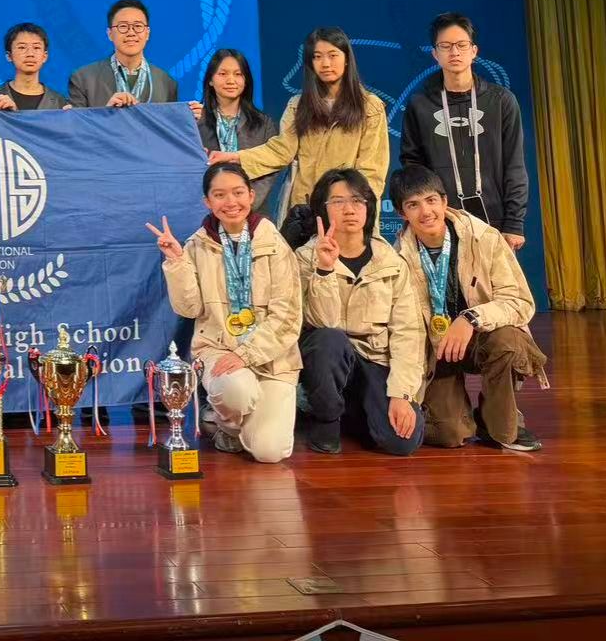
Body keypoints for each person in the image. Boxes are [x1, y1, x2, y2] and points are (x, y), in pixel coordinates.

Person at [146, 161, 301, 463]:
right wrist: (177, 262)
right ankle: (228, 427)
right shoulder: (196, 245)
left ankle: (238, 420)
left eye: (238, 192)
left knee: (270, 452)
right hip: (218, 348)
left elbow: (288, 316)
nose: (231, 202)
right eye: (219, 195)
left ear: (251, 195)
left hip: (273, 357)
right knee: (237, 391)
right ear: (207, 201)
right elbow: (189, 308)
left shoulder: (275, 243)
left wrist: (246, 354)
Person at [390, 164, 547, 453]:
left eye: (431, 200)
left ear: (444, 201)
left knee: (508, 341)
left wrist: (471, 318)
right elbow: (404, 330)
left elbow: (519, 302)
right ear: (402, 213)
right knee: (449, 434)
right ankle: (457, 416)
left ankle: (496, 421)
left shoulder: (484, 237)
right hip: (435, 350)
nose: (426, 211)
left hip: (480, 337)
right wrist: (404, 392)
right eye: (413, 205)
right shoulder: (397, 259)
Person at [211, 26, 389, 241]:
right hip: (304, 212)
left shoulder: (369, 107)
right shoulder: (298, 105)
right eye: (317, 57)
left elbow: (372, 170)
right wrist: (236, 157)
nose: (325, 63)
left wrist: (353, 207)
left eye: (333, 55)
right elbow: (281, 151)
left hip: (348, 212)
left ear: (346, 59)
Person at [294, 169, 425, 456]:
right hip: (328, 359)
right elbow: (323, 322)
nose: (349, 209)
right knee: (328, 339)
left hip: (375, 360)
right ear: (323, 210)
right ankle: (326, 418)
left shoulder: (391, 262)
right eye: (338, 202)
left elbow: (408, 332)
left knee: (402, 443)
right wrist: (324, 269)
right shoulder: (304, 258)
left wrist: (402, 394)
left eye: (357, 200)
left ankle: (353, 413)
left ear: (369, 207)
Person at [399, 13, 531, 251]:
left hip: (496, 222)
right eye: (445, 46)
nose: (454, 52)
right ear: (435, 54)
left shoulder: (501, 101)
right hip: (442, 221)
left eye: (461, 45)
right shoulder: (420, 105)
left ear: (474, 51)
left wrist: (514, 223)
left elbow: (514, 164)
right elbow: (413, 167)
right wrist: (426, 216)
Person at [188, 48, 280, 212]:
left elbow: (270, 169)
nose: (231, 80)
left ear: (246, 81)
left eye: (238, 74)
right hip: (207, 213)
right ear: (210, 80)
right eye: (223, 74)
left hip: (253, 213)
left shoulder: (263, 124)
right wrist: (187, 123)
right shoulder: (196, 122)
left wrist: (243, 205)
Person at [68, 0, 180, 108]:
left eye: (138, 26)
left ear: (147, 33)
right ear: (110, 34)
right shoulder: (83, 79)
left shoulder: (167, 83)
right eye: (123, 26)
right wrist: (106, 113)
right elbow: (76, 119)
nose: (131, 33)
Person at [0, 22, 69, 111]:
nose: (30, 54)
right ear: (9, 56)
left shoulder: (60, 103)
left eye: (36, 48)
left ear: (45, 56)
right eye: (22, 47)